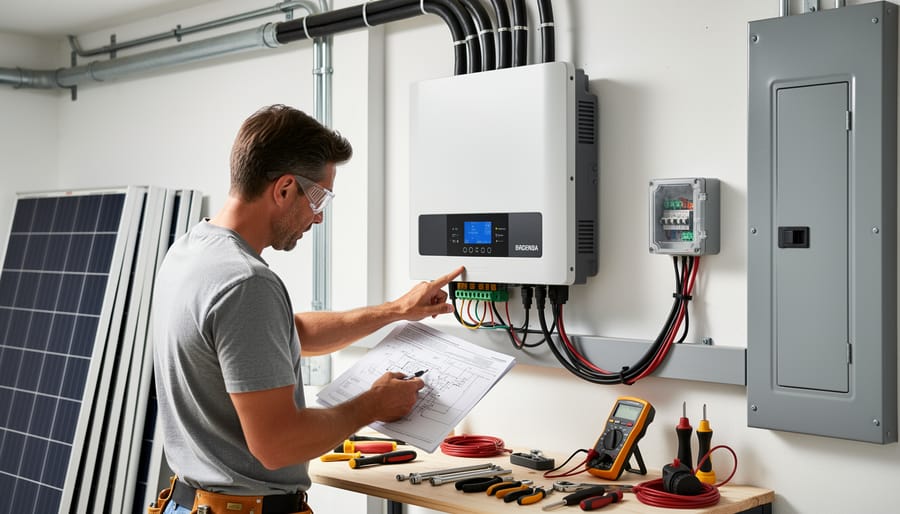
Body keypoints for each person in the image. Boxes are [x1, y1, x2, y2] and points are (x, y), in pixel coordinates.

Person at [151, 104, 464, 514]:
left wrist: (396, 310)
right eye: (319, 198)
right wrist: (374, 404)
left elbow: (288, 334)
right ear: (284, 189)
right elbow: (278, 445)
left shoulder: (190, 251)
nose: (318, 218)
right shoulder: (246, 282)